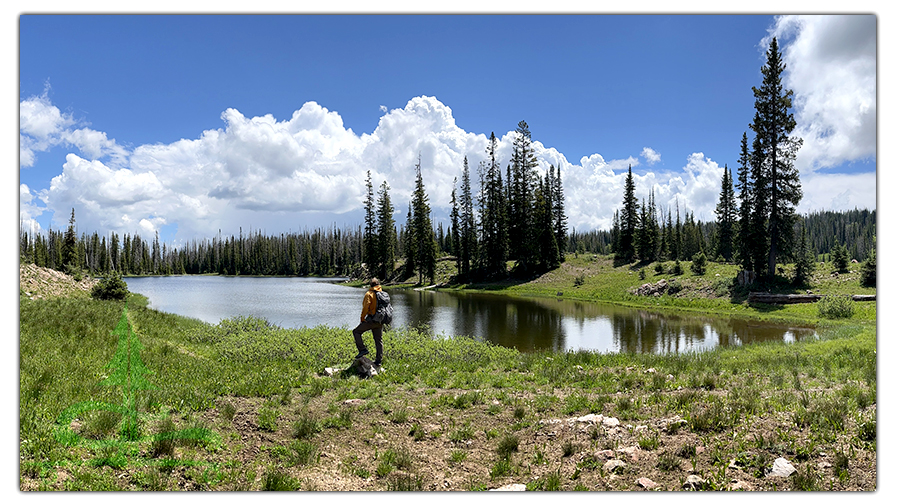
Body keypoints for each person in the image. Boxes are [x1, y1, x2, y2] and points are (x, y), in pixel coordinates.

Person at [352, 277, 384, 366]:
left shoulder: (369, 294)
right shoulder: (382, 294)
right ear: (378, 285)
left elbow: (366, 307)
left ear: (370, 285)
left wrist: (362, 318)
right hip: (380, 320)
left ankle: (362, 349)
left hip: (371, 319)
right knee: (378, 340)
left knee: (356, 332)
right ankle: (378, 361)